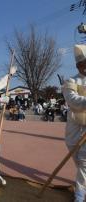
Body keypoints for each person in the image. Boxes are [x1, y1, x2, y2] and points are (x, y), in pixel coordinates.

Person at [62, 44, 86, 202]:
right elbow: (72, 100)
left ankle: (80, 192)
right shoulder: (71, 81)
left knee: (84, 161)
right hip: (74, 126)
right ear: (78, 65)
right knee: (77, 159)